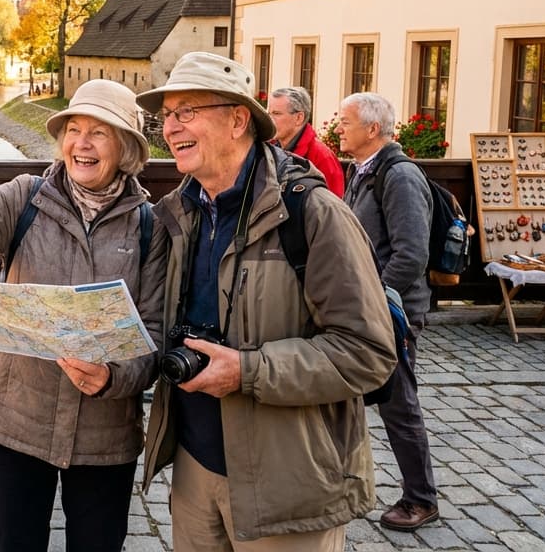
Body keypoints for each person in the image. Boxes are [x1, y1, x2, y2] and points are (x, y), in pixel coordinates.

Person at [139, 52, 396, 551]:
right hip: (194, 469)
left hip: (289, 484)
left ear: (238, 120)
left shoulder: (314, 213)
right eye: (166, 115)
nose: (170, 129)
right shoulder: (179, 213)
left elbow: (370, 353)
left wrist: (246, 371)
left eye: (186, 111)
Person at [0, 79, 167, 552]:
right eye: (73, 129)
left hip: (105, 436)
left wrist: (114, 377)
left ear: (125, 148)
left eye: (99, 133)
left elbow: (155, 332)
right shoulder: (25, 196)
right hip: (16, 419)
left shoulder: (150, 226)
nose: (81, 144)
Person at [338, 92, 439, 531]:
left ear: (372, 130)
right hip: (363, 308)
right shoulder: (362, 171)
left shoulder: (398, 176)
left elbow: (411, 255)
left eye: (345, 122)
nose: (338, 128)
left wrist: (373, 304)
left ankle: (421, 499)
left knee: (399, 406)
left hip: (389, 313)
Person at [267, 85, 345, 197]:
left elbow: (331, 208)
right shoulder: (269, 149)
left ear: (299, 118)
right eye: (269, 113)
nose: (270, 119)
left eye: (276, 114)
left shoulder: (322, 157)